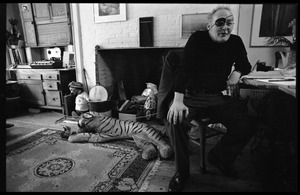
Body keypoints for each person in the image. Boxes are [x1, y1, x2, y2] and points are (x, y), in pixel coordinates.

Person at [166, 6, 253, 192]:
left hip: (217, 98)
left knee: (247, 124)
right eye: (220, 22)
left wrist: (237, 72)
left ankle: (220, 157)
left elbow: (245, 64)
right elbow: (184, 69)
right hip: (192, 96)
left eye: (229, 22)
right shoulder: (198, 39)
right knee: (175, 120)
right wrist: (178, 100)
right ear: (209, 26)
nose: (225, 27)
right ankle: (182, 172)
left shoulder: (235, 42)